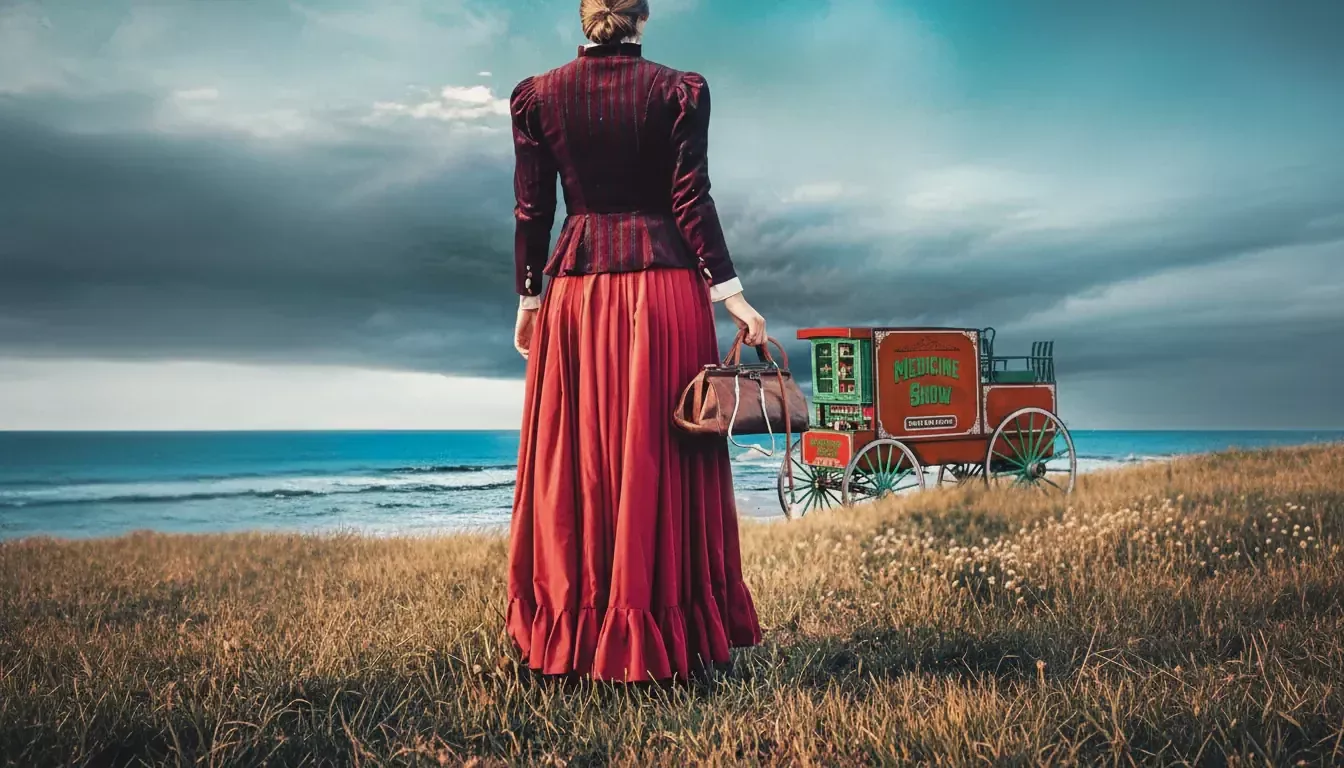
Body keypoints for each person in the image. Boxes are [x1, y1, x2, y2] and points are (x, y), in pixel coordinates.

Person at [505, 0, 766, 683]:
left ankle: (571, 635)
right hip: (665, 294)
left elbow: (533, 210)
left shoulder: (539, 98)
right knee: (663, 452)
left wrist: (529, 298)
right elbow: (690, 198)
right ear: (643, 19)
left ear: (584, 19)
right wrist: (731, 294)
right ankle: (669, 638)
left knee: (579, 460)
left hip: (577, 294)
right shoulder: (678, 92)